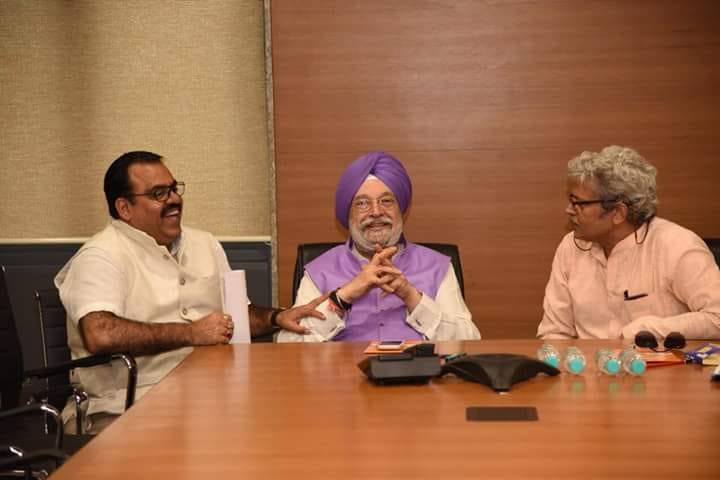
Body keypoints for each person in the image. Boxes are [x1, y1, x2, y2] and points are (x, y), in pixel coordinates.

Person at [56, 151, 324, 433]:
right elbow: (100, 334)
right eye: (159, 193)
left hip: (209, 394)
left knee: (291, 413)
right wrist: (192, 333)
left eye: (174, 189)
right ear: (124, 208)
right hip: (127, 406)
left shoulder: (204, 243)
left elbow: (236, 316)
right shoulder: (100, 256)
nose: (174, 199)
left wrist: (276, 317)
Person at [277, 151, 481, 342]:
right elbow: (288, 344)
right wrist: (344, 296)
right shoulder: (319, 270)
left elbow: (469, 340)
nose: (375, 212)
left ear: (401, 210)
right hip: (342, 370)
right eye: (362, 203)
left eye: (386, 201)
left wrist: (411, 296)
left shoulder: (437, 266)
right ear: (348, 213)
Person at [538, 145, 720, 340]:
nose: (568, 210)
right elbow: (554, 332)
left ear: (618, 212)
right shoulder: (570, 247)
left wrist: (646, 330)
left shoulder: (678, 246)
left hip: (658, 359)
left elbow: (717, 317)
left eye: (578, 203)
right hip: (590, 360)